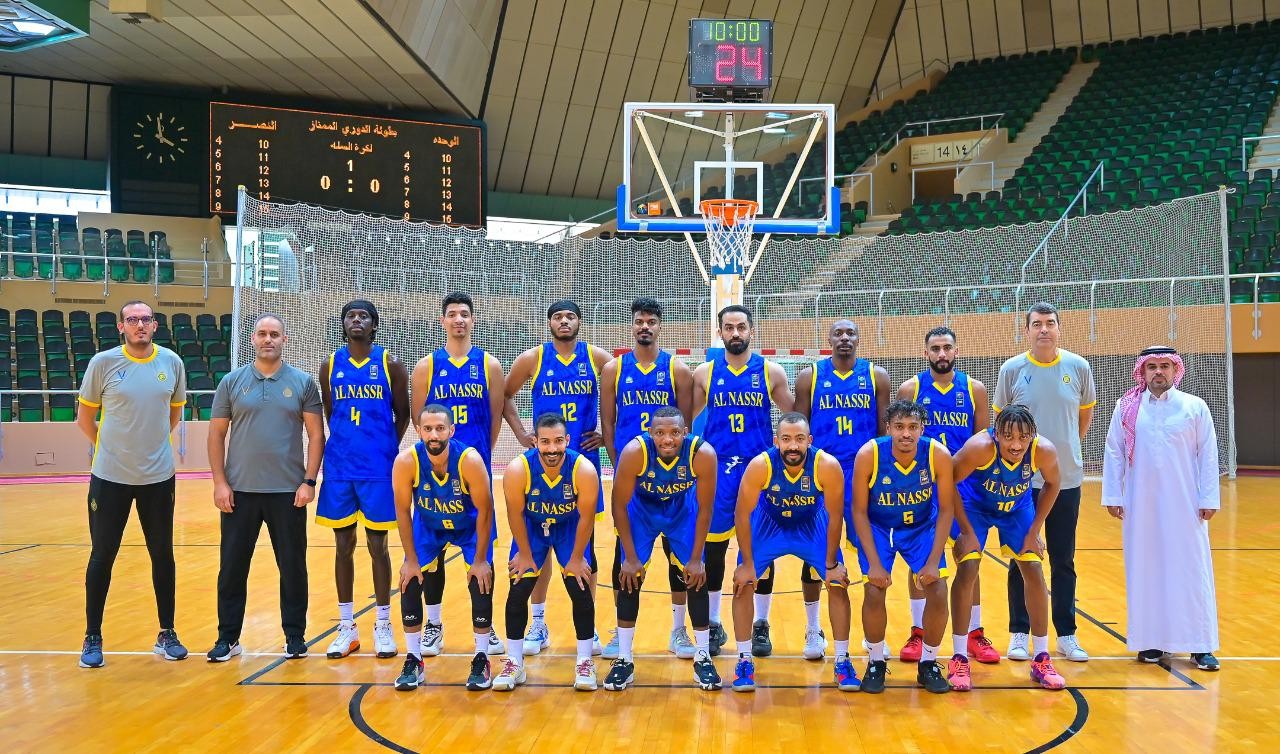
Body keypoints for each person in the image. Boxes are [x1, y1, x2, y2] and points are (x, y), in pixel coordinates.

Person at [206, 313, 325, 663]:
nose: (268, 339)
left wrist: (309, 481)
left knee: (292, 567)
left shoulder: (302, 383)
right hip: (239, 492)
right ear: (253, 339)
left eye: (274, 334)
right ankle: (228, 638)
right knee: (232, 568)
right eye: (262, 333)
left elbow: (316, 435)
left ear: (285, 339)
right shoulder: (232, 382)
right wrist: (220, 482)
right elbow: (216, 434)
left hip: (287, 493)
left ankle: (295, 636)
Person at [76, 300, 188, 668]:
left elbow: (174, 414)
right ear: (121, 327)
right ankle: (92, 637)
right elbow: (85, 419)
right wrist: (111, 448)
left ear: (155, 325)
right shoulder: (103, 363)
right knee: (102, 555)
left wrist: (149, 447)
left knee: (163, 554)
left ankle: (167, 632)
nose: (139, 325)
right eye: (132, 320)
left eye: (145, 319)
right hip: (110, 478)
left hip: (158, 478)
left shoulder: (172, 363)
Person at [1102, 346, 1221, 671]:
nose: (1158, 372)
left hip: (1186, 504)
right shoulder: (1127, 407)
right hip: (1140, 506)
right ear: (1142, 371)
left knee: (1191, 570)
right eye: (1152, 366)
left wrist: (1209, 498)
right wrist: (1113, 494)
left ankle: (1200, 646)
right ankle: (1152, 642)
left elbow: (1208, 454)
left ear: (1175, 370)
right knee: (1146, 570)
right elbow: (1114, 450)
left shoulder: (1194, 407)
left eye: (1165, 366)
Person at [501, 300, 609, 657]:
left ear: (579, 322)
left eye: (570, 316)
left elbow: (619, 393)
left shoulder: (596, 357)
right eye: (558, 317)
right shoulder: (533, 359)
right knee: (540, 546)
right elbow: (504, 394)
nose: (564, 321)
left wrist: (607, 434)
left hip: (581, 464)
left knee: (585, 547)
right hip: (542, 460)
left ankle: (589, 622)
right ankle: (538, 622)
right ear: (549, 323)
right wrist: (522, 433)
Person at [994, 302, 1097, 662]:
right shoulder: (1012, 370)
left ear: (1059, 328)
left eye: (1050, 323)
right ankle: (1019, 632)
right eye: (1036, 324)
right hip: (1021, 483)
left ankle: (1067, 634)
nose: (1043, 329)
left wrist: (1062, 451)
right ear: (1026, 331)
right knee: (1020, 556)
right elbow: (1001, 425)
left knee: (1063, 558)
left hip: (1065, 480)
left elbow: (1083, 417)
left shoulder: (1079, 367)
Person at [728, 413, 859, 692]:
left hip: (811, 524)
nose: (793, 446)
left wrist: (831, 564)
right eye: (786, 439)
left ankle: (842, 660)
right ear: (776, 441)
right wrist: (747, 563)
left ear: (809, 440)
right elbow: (742, 514)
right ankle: (744, 659)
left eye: (799, 439)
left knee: (838, 582)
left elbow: (836, 516)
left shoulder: (826, 465)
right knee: (743, 582)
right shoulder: (760, 465)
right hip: (769, 523)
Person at [691, 304, 792, 657]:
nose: (735, 333)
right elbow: (684, 421)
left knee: (761, 550)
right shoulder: (704, 372)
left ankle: (761, 623)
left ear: (751, 330)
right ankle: (713, 622)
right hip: (718, 471)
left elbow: (794, 416)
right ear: (719, 332)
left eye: (741, 327)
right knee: (714, 550)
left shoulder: (771, 371)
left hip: (759, 471)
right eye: (729, 327)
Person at [409, 292, 505, 657]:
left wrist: (477, 457)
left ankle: (485, 625)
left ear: (473, 320)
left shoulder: (489, 365)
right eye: (452, 314)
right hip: (434, 471)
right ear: (443, 321)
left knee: (480, 552)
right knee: (431, 552)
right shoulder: (426, 366)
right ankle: (433, 625)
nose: (459, 319)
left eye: (465, 314)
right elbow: (419, 419)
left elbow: (494, 417)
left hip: (473, 472)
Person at [599, 297, 696, 660]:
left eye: (651, 321)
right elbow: (608, 423)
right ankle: (620, 632)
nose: (645, 327)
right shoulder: (614, 369)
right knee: (623, 558)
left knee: (677, 557)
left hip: (672, 479)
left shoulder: (678, 370)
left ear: (659, 326)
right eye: (639, 321)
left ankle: (678, 630)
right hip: (633, 480)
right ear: (632, 325)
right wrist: (619, 465)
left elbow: (685, 427)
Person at [946, 405, 1067, 691]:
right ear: (996, 434)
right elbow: (947, 480)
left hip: (1016, 508)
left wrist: (1035, 531)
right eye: (1008, 437)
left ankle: (1041, 658)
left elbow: (1053, 484)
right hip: (973, 506)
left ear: (1032, 436)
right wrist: (966, 531)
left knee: (1034, 570)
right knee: (968, 567)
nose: (1016, 445)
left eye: (1023, 437)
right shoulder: (978, 448)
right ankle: (959, 657)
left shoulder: (1043, 451)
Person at [317, 299, 410, 660]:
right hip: (341, 469)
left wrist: (385, 447)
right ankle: (347, 627)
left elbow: (402, 414)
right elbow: (331, 413)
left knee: (378, 546)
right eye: (350, 316)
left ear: (374, 324)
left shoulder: (390, 364)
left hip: (377, 470)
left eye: (364, 316)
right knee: (342, 547)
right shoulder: (329, 366)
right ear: (343, 324)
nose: (356, 320)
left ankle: (383, 625)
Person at [896, 326, 993, 664]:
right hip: (923, 486)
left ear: (956, 351)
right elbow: (899, 439)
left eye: (947, 348)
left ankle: (974, 633)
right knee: (920, 560)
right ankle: (918, 631)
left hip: (965, 487)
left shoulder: (974, 389)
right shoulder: (911, 388)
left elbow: (984, 442)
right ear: (925, 353)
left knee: (970, 559)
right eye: (935, 348)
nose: (941, 354)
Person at [606, 407, 721, 691]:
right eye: (660, 433)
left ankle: (703, 656)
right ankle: (624, 658)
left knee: (696, 577)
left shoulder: (702, 454)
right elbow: (618, 504)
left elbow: (706, 509)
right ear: (650, 433)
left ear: (685, 432)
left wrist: (697, 558)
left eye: (674, 433)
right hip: (641, 513)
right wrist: (630, 557)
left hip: (681, 512)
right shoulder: (635, 452)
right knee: (630, 578)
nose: (667, 439)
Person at [794, 319, 888, 660]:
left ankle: (872, 636)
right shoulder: (810, 377)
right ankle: (812, 628)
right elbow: (798, 430)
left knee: (870, 553)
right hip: (822, 475)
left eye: (850, 333)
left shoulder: (877, 376)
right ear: (829, 339)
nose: (844, 338)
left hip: (863, 475)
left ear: (859, 339)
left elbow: (883, 433)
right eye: (838, 333)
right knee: (818, 553)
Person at [849, 400, 954, 694]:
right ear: (888, 429)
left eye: (912, 427)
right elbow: (858, 511)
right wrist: (874, 563)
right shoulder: (869, 454)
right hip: (880, 528)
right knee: (874, 589)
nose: (905, 433)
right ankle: (875, 662)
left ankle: (928, 663)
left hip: (920, 528)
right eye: (899, 427)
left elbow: (947, 510)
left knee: (938, 589)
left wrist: (933, 562)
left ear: (922, 429)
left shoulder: (938, 455)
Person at [391, 404, 497, 691]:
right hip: (429, 526)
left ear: (451, 430)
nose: (434, 435)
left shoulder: (469, 461)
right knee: (409, 580)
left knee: (481, 581)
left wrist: (480, 560)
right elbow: (402, 511)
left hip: (469, 526)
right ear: (418, 431)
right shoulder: (406, 461)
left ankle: (482, 657)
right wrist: (410, 559)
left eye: (440, 428)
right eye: (428, 429)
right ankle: (414, 658)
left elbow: (486, 511)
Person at [494, 413, 600, 691]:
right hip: (532, 529)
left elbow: (587, 518)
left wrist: (576, 558)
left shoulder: (583, 469)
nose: (552, 449)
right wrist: (525, 554)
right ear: (535, 442)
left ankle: (585, 661)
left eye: (557, 441)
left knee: (580, 587)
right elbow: (515, 514)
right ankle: (514, 662)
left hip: (568, 528)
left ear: (567, 440)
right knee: (518, 589)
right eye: (545, 442)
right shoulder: (518, 469)